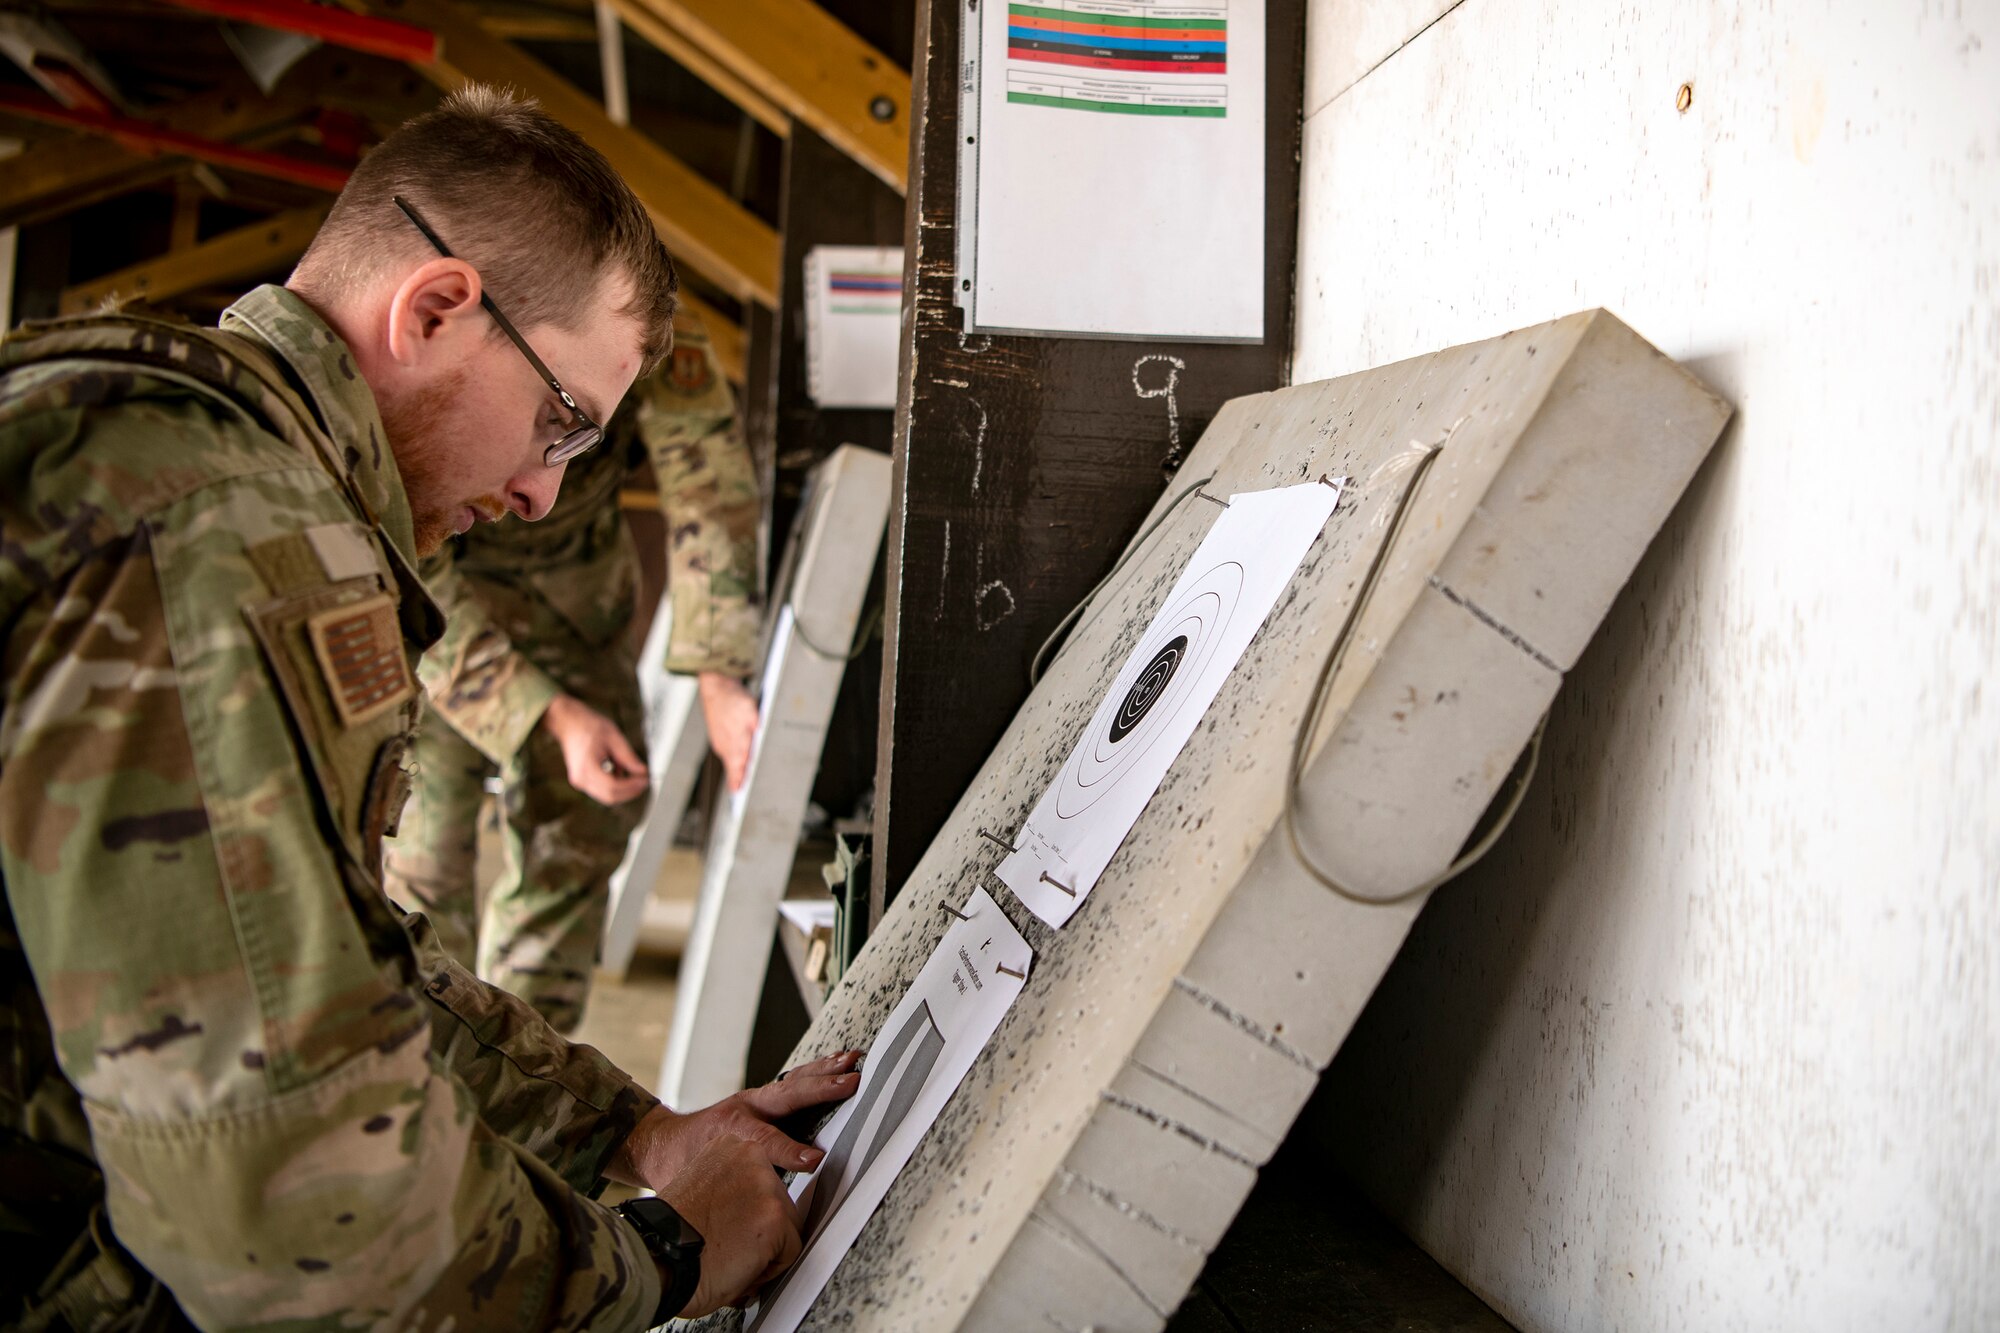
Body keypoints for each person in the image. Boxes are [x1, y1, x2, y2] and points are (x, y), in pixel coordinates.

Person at [0, 87, 854, 1330]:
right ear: (439, 307)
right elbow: (305, 1226)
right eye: (559, 426)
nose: (540, 495)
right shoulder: (223, 530)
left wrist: (636, 1131)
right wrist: (663, 1257)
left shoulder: (160, 437)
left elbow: (339, 961)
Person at [382, 312, 762, 1033]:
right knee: (420, 862)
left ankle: (532, 1067)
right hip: (434, 608)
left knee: (583, 828)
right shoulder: (440, 337)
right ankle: (428, 1059)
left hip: (575, 605)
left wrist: (719, 669)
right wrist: (545, 711)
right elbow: (415, 581)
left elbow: (707, 481)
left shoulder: (646, 323)